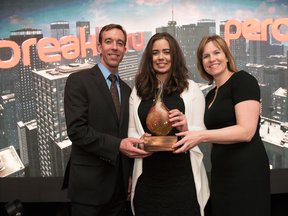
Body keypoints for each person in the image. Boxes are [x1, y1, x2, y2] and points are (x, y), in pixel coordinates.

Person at [173, 34, 270, 216]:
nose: (212, 59)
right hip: (220, 177)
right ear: (202, 63)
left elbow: (246, 131)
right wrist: (186, 127)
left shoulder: (243, 81)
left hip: (246, 173)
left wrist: (201, 136)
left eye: (216, 52)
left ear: (226, 56)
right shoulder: (210, 95)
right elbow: (211, 134)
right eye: (206, 56)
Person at [62, 24, 151, 216]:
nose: (114, 47)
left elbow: (125, 133)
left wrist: (128, 176)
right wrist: (118, 145)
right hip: (88, 189)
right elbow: (77, 130)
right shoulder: (78, 81)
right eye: (108, 41)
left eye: (120, 43)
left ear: (125, 50)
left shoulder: (128, 91)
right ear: (99, 47)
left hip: (119, 190)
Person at [128, 32, 209, 216]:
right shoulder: (138, 91)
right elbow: (131, 131)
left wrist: (186, 128)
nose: (161, 57)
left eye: (166, 52)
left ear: (174, 55)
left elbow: (201, 130)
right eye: (155, 52)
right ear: (149, 57)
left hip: (182, 180)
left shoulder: (190, 88)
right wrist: (139, 140)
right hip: (147, 181)